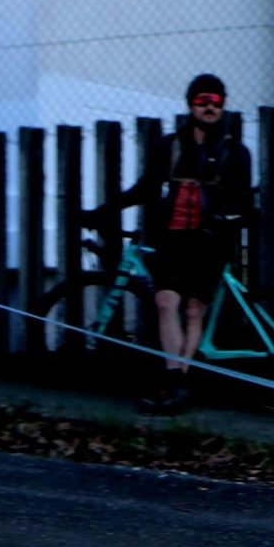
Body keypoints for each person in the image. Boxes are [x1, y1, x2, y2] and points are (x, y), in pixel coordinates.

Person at [101, 73, 253, 413]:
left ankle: (178, 383)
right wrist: (107, 210)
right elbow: (147, 186)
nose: (210, 107)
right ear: (190, 105)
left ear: (223, 105)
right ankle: (175, 380)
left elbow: (243, 199)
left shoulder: (235, 152)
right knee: (166, 302)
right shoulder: (170, 146)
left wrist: (225, 215)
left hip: (210, 242)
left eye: (216, 101)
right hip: (172, 237)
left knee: (193, 309)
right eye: (203, 101)